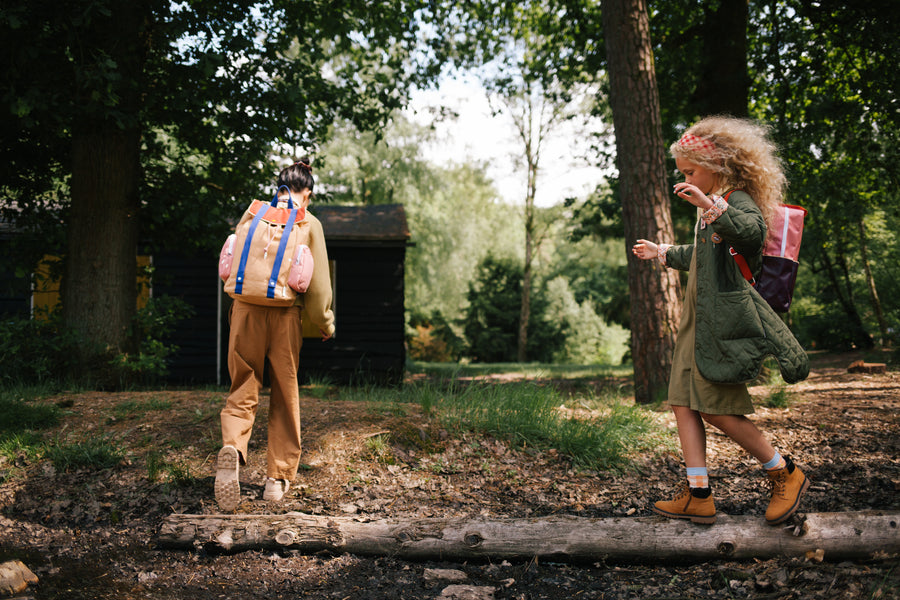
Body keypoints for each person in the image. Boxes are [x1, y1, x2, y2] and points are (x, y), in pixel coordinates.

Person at [632, 116, 810, 526]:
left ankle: (785, 472)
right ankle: (699, 493)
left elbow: (749, 235)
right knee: (682, 401)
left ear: (719, 165)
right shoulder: (710, 208)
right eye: (683, 173)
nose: (686, 179)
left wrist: (711, 206)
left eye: (691, 171)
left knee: (715, 409)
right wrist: (662, 251)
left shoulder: (738, 200)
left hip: (722, 323)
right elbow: (703, 260)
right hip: (697, 321)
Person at [215, 160, 335, 512]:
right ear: (307, 193)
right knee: (284, 390)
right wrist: (324, 323)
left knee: (243, 384)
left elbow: (236, 263)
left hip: (244, 311)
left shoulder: (253, 214)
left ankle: (233, 449)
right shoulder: (308, 222)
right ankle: (276, 479)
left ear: (280, 186)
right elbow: (318, 285)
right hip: (284, 316)